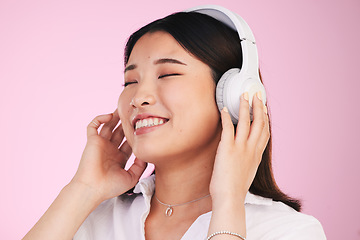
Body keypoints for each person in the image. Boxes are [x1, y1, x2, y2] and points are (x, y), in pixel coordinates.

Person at [23, 5, 326, 240]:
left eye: (167, 74)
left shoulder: (288, 230)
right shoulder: (90, 218)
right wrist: (84, 188)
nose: (138, 97)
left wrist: (228, 204)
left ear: (233, 95)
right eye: (130, 80)